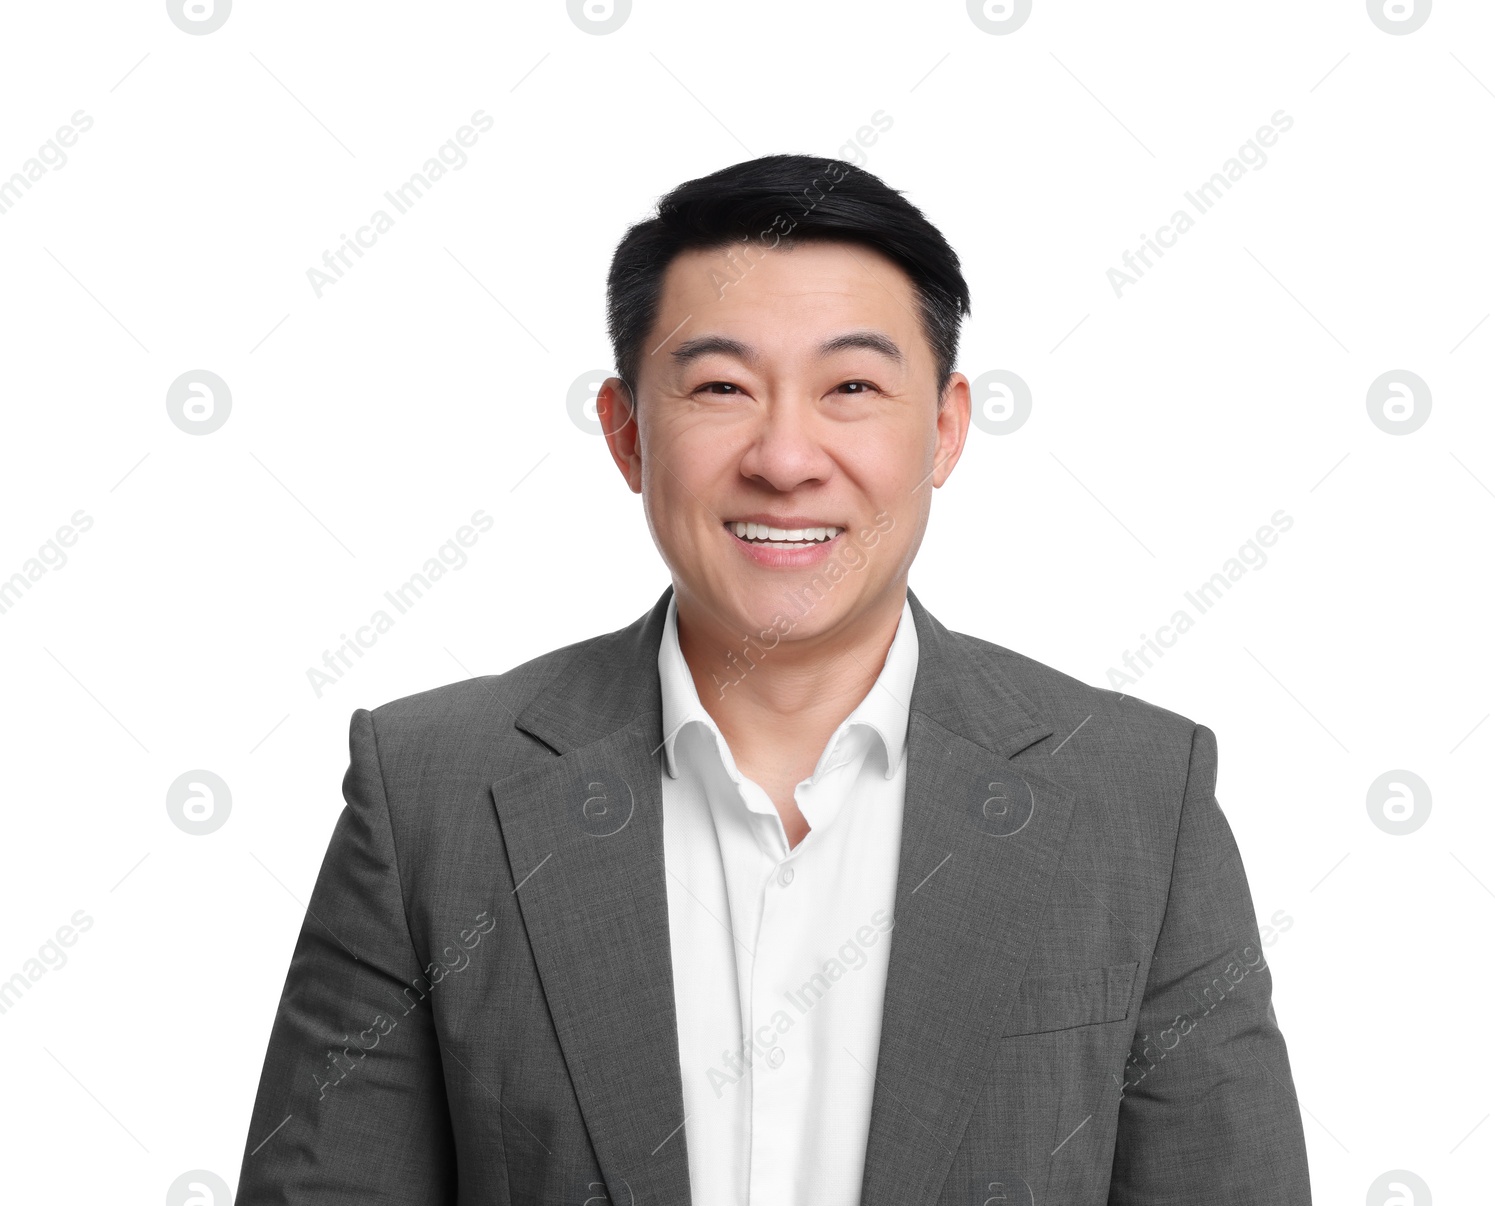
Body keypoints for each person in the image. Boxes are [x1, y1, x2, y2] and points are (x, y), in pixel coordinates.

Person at [237, 153, 1312, 1205]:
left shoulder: (1134, 796)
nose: (785, 457)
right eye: (720, 387)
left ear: (943, 429)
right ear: (625, 435)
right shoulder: (431, 792)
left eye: (850, 385)